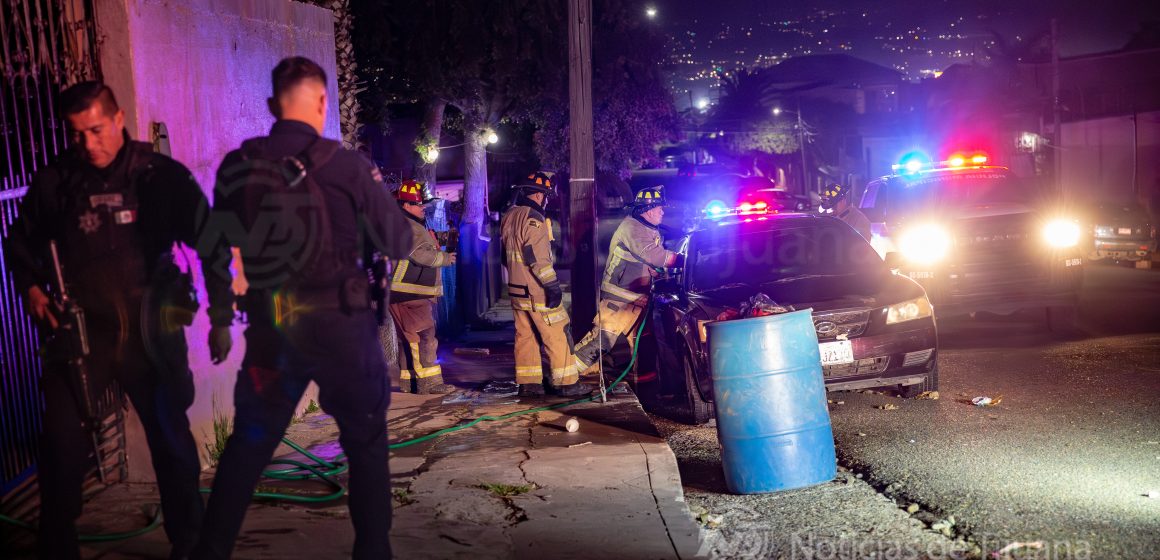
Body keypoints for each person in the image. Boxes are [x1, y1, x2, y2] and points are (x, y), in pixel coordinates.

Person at [191, 57, 412, 560]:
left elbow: (214, 247)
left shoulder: (238, 166)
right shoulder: (348, 166)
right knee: (365, 443)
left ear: (272, 105)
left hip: (273, 328)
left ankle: (210, 551)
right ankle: (372, 552)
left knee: (248, 444)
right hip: (343, 329)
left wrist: (223, 318)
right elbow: (399, 240)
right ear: (322, 103)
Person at [2, 81, 234, 560]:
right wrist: (30, 289)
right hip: (83, 334)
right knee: (61, 446)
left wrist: (220, 317)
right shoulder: (57, 181)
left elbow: (211, 243)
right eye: (77, 134)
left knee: (170, 443)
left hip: (150, 332)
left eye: (97, 129)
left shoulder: (160, 177)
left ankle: (189, 545)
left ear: (119, 118)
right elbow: (19, 241)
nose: (89, 143)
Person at [573, 185, 682, 377]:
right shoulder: (631, 228)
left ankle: (646, 389)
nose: (663, 211)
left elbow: (648, 263)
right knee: (602, 341)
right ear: (648, 211)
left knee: (643, 345)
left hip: (637, 299)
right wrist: (684, 259)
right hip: (618, 297)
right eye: (659, 208)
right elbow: (655, 256)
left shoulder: (647, 228)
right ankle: (569, 375)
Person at [499, 171, 589, 397]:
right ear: (539, 196)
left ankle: (530, 384)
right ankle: (567, 383)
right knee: (557, 332)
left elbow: (504, 257)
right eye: (546, 196)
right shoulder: (535, 220)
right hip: (537, 291)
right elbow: (539, 261)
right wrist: (552, 287)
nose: (547, 200)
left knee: (525, 336)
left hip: (516, 290)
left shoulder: (510, 216)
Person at [389, 179, 455, 394]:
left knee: (406, 339)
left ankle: (410, 383)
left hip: (400, 292)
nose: (423, 208)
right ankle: (430, 384)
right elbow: (419, 254)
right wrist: (444, 258)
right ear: (406, 206)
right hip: (411, 292)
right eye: (419, 205)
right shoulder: (410, 226)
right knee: (424, 336)